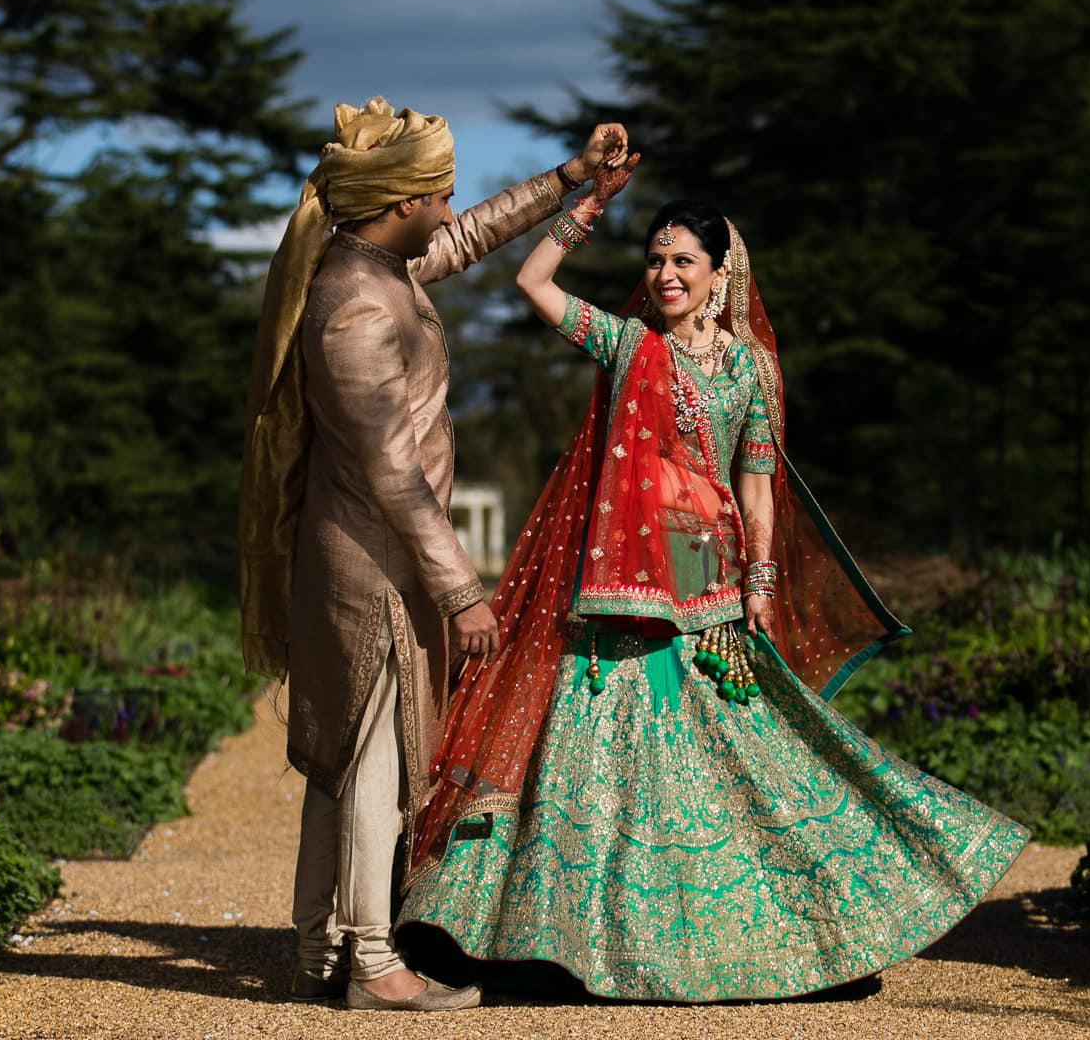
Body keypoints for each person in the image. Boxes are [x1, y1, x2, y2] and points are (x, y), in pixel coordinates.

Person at [395, 185, 1031, 1001]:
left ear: (719, 271)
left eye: (682, 260)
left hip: (701, 560)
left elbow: (756, 483)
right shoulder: (630, 344)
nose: (665, 274)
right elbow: (534, 285)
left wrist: (760, 581)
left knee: (721, 735)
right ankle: (544, 943)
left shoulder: (751, 367)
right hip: (618, 572)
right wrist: (581, 208)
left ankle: (798, 927)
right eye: (656, 259)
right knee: (597, 736)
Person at [237, 96, 630, 1012]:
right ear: (398, 199)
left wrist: (568, 182)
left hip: (370, 560)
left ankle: (317, 953)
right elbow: (389, 471)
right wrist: (461, 591)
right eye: (441, 194)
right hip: (376, 569)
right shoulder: (354, 309)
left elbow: (467, 241)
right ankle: (374, 964)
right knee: (372, 759)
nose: (453, 209)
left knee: (344, 758)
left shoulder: (374, 267)